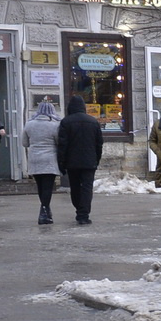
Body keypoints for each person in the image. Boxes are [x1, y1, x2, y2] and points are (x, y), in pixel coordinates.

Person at [56, 95, 104, 225]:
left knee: (75, 187)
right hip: (89, 161)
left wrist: (61, 162)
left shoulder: (66, 122)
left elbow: (62, 145)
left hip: (72, 162)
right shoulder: (93, 122)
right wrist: (97, 159)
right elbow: (99, 144)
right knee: (87, 188)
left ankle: (79, 209)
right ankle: (84, 213)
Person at [22, 98, 61, 224]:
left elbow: (24, 143)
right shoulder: (55, 125)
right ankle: (44, 211)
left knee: (40, 186)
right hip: (49, 158)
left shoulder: (29, 124)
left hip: (35, 159)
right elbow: (59, 142)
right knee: (48, 187)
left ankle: (46, 210)